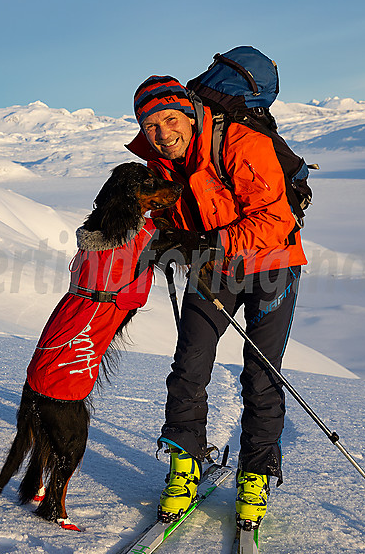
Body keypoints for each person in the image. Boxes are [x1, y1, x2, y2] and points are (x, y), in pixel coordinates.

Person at [126, 75, 307, 527]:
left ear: (189, 113)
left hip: (273, 266)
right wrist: (163, 237)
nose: (162, 133)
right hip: (215, 269)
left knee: (261, 374)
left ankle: (256, 475)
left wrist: (205, 243)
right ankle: (183, 467)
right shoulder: (161, 162)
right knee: (189, 364)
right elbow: (166, 212)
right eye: (151, 126)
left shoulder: (241, 142)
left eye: (170, 119)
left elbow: (275, 219)